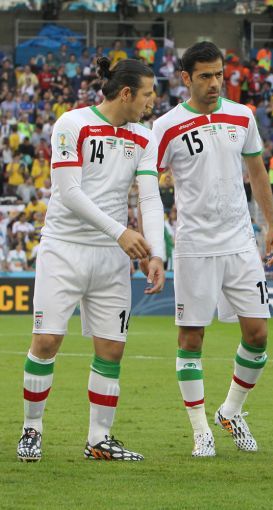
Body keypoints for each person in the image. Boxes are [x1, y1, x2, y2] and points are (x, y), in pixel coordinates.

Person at [16, 57, 166, 462]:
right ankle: (32, 430)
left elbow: (149, 198)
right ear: (126, 93)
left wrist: (157, 253)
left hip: (111, 258)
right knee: (46, 341)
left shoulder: (144, 138)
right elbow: (69, 193)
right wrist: (121, 232)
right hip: (64, 248)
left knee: (111, 350)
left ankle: (99, 440)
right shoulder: (72, 123)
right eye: (148, 93)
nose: (152, 101)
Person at [152, 42, 273, 458]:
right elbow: (147, 181)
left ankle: (231, 411)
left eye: (219, 75)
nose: (214, 83)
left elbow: (257, 173)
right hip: (195, 245)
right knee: (191, 338)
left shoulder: (242, 115)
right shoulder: (166, 126)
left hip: (240, 242)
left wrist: (270, 225)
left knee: (258, 335)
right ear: (185, 78)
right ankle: (200, 430)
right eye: (205, 76)